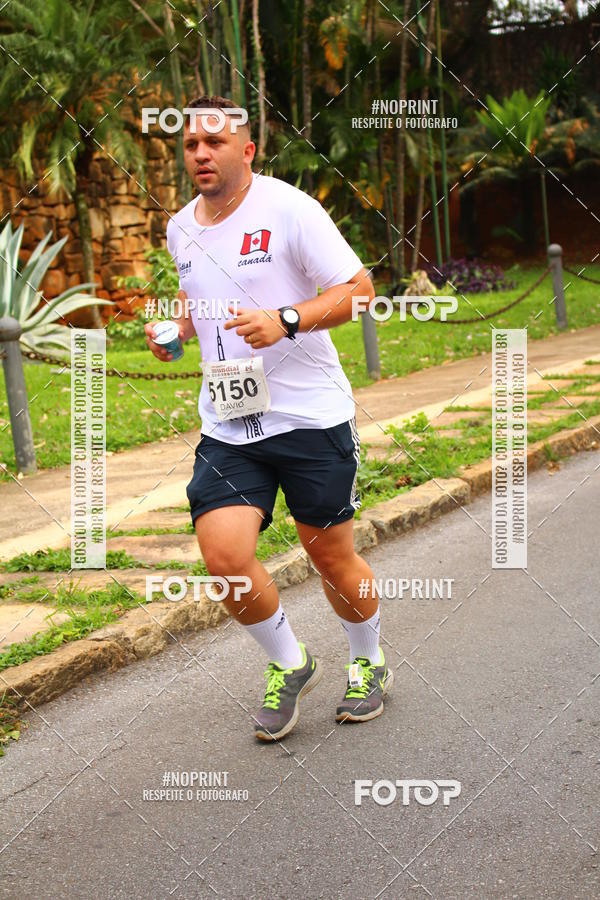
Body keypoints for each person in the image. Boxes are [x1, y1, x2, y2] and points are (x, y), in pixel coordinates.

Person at [145, 95, 393, 742]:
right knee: (225, 555)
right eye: (192, 144)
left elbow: (359, 292)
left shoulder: (289, 208)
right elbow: (199, 302)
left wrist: (286, 320)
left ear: (246, 150)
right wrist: (175, 329)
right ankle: (292, 662)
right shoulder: (180, 227)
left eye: (215, 142)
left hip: (310, 417)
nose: (201, 153)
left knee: (331, 557)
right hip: (231, 423)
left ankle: (367, 658)